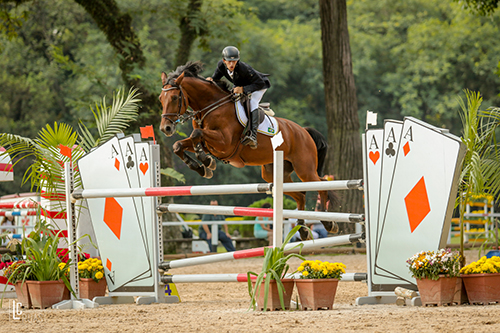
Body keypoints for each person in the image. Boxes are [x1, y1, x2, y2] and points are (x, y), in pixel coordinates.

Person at [206, 46, 271, 149]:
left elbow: (260, 83)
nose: (232, 64)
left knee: (253, 102)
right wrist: (211, 80)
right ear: (224, 61)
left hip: (259, 86)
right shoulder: (221, 66)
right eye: (229, 61)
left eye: (234, 61)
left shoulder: (244, 68)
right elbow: (216, 79)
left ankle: (253, 135)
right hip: (241, 85)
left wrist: (243, 89)